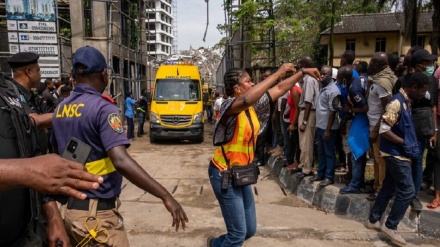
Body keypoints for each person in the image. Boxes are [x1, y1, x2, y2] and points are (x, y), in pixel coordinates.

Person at [51, 46, 188, 246]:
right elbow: (121, 160)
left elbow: (57, 156)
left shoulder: (61, 109)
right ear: (103, 74)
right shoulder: (103, 107)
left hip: (70, 213)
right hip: (96, 217)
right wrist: (166, 196)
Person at [207, 64, 320, 246]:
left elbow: (281, 88)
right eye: (248, 81)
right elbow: (245, 100)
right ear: (237, 88)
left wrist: (303, 72)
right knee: (237, 236)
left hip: (241, 174)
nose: (252, 84)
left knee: (249, 230)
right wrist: (279, 73)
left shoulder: (253, 107)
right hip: (224, 174)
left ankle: (215, 244)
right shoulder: (229, 106)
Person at [0, 52, 102, 247]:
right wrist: (28, 171)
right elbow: (33, 165)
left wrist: (53, 217)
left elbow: (34, 153)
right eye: (38, 71)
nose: (41, 75)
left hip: (31, 221)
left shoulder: (15, 99)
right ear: (29, 72)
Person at [366, 72, 429, 246]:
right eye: (422, 91)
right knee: (408, 190)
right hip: (395, 154)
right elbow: (384, 130)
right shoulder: (396, 102)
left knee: (389, 186)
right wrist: (405, 142)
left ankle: (374, 220)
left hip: (399, 152)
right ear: (413, 88)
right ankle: (391, 225)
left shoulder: (406, 102)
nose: (423, 94)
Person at [366, 52, 395, 201]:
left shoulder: (382, 83)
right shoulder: (376, 81)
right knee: (376, 158)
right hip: (373, 124)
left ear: (378, 65)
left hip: (379, 126)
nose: (369, 64)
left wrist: (376, 129)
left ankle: (382, 189)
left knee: (381, 159)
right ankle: (376, 185)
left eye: (372, 62)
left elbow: (386, 109)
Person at [309, 65, 341, 187]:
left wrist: (327, 130)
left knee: (329, 152)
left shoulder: (333, 91)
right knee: (321, 151)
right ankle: (320, 173)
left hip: (329, 128)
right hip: (321, 126)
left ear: (331, 76)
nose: (321, 76)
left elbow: (333, 112)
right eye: (321, 74)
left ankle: (329, 177)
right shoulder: (323, 88)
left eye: (324, 74)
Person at [339, 65, 369, 194]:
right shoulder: (360, 78)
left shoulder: (354, 89)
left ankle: (355, 184)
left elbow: (365, 107)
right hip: (362, 120)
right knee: (358, 152)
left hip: (362, 120)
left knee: (355, 148)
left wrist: (350, 109)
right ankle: (359, 181)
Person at [296, 56, 320, 179]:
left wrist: (304, 121)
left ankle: (307, 168)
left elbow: (308, 102)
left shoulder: (310, 80)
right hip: (305, 111)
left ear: (304, 65)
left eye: (300, 64)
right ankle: (302, 164)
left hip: (308, 113)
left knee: (307, 142)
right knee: (302, 142)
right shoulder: (307, 79)